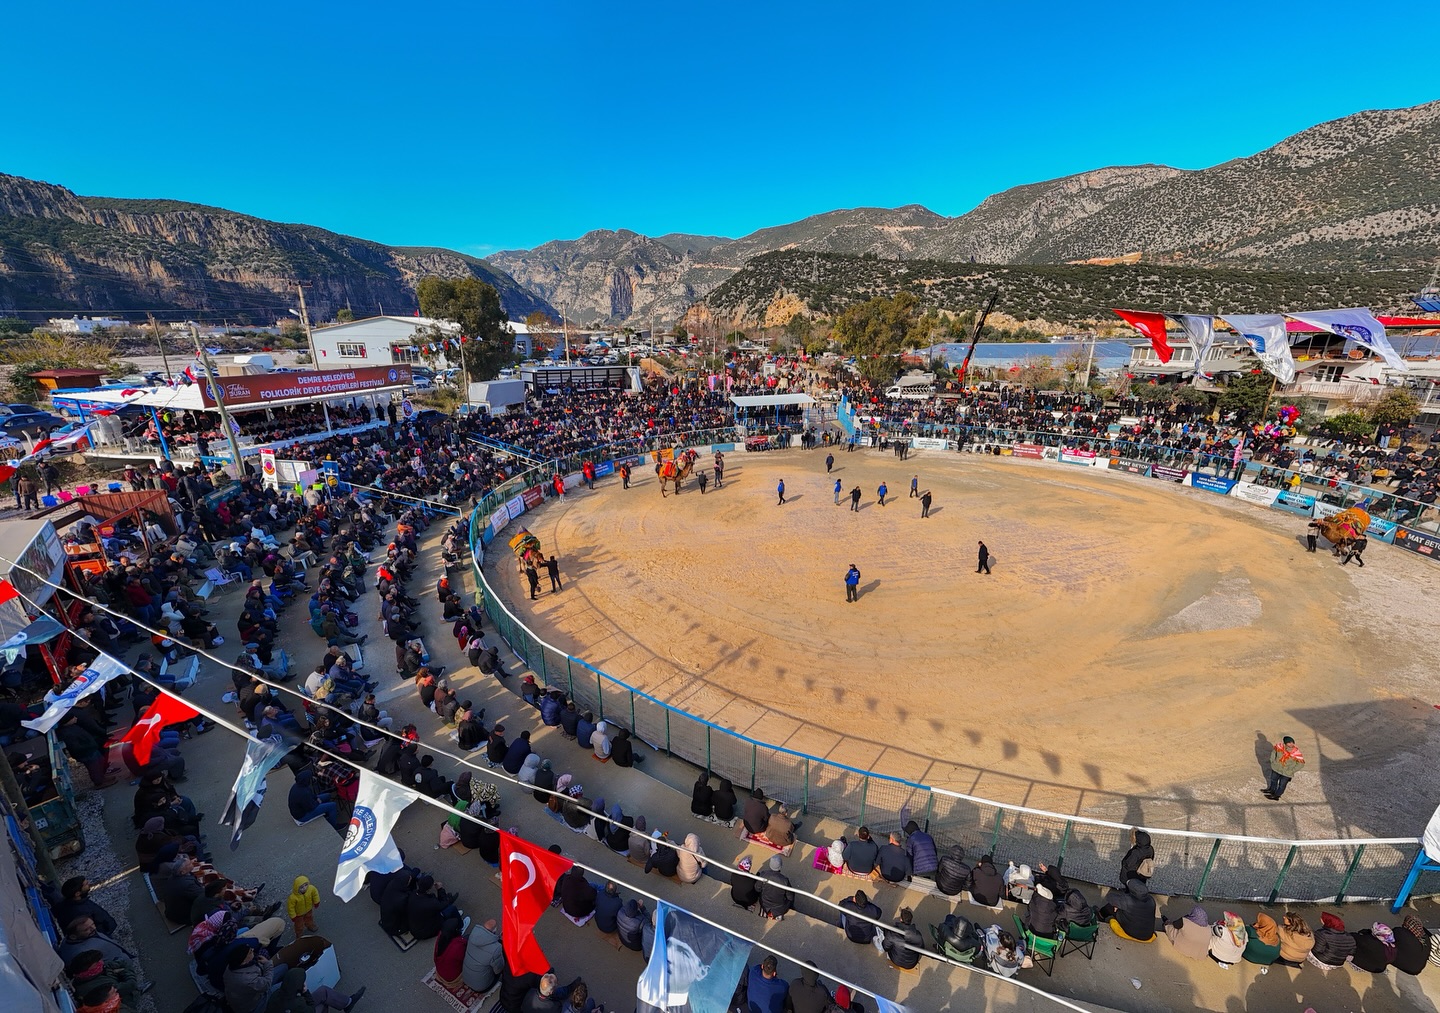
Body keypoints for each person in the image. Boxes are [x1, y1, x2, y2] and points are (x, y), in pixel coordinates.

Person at [265, 966, 366, 1012]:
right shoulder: (297, 1003)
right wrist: (306, 992)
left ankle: (348, 1003)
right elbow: (311, 1009)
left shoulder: (277, 994)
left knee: (324, 991)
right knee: (323, 1003)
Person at [1098, 878, 1157, 942]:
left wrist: (1118, 904)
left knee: (1110, 907)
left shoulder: (1128, 900)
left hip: (1132, 933)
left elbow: (1109, 897)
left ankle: (1100, 915)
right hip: (1147, 935)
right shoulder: (1151, 900)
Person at [462, 918, 504, 993]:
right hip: (481, 987)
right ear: (494, 930)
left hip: (465, 978)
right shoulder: (495, 949)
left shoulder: (473, 934)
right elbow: (499, 969)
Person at [758, 856, 793, 920]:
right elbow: (790, 897)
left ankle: (768, 912)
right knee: (791, 897)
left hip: (764, 904)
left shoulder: (763, 874)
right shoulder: (784, 880)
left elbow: (757, 888)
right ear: (780, 866)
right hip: (779, 908)